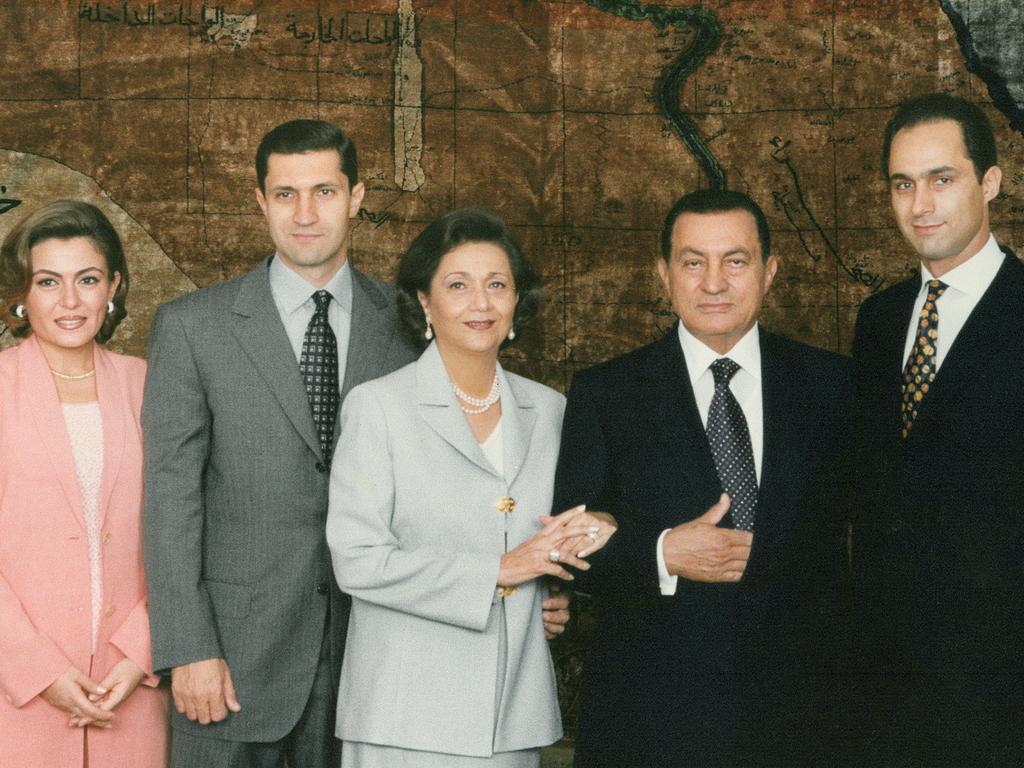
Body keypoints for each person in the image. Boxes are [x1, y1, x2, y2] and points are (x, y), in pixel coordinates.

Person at [142, 122, 570, 767]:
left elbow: (475, 483)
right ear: (260, 202)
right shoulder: (192, 327)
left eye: (324, 191)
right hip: (233, 656)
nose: (306, 214)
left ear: (357, 196)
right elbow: (170, 503)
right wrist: (188, 648)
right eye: (285, 194)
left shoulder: (410, 323)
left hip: (379, 658)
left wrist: (527, 590)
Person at [554, 189, 852, 767]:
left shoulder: (834, 386)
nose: (713, 282)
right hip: (651, 721)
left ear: (769, 271)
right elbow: (569, 542)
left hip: (805, 720)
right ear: (664, 274)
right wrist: (663, 552)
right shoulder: (606, 394)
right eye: (693, 262)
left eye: (734, 261)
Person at [326, 208, 616, 767]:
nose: (479, 303)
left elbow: (560, 539)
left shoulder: (551, 411)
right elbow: (357, 559)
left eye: (497, 285)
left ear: (515, 304)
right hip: (404, 714)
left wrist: (559, 590)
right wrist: (499, 571)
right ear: (425, 303)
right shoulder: (378, 406)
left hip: (512, 715)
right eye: (457, 286)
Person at [849, 92, 1023, 766]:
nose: (920, 204)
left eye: (942, 179)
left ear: (990, 183)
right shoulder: (881, 320)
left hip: (1003, 699)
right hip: (887, 696)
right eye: (903, 184)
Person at [0, 200, 167, 767]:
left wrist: (139, 653)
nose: (70, 302)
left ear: (112, 286)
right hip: (16, 696)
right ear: (22, 293)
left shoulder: (152, 386)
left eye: (87, 280)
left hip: (131, 690)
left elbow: (185, 531)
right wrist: (37, 669)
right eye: (49, 282)